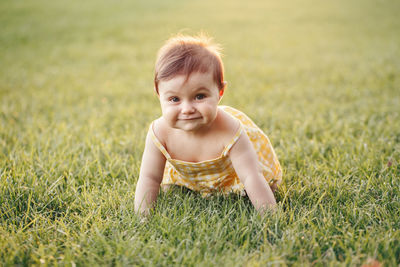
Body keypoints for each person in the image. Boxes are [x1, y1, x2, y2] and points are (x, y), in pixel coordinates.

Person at [134, 34, 282, 215]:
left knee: (259, 184)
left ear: (220, 92)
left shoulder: (230, 130)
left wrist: (270, 216)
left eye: (199, 96)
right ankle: (187, 184)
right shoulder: (159, 133)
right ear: (159, 95)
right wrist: (142, 218)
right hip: (190, 177)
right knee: (170, 188)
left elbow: (251, 176)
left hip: (231, 175)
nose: (187, 109)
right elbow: (149, 178)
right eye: (174, 99)